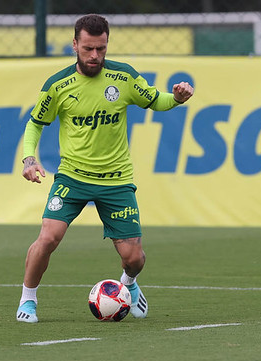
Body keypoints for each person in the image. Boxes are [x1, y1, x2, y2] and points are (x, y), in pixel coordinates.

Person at [16, 13, 194, 323]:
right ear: (75, 45)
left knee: (134, 258)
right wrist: (29, 159)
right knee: (47, 238)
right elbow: (35, 124)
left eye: (100, 48)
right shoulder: (57, 86)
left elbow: (156, 101)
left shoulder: (124, 78)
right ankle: (28, 300)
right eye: (88, 48)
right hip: (73, 177)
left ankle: (127, 285)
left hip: (116, 181)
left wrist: (176, 99)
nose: (95, 55)